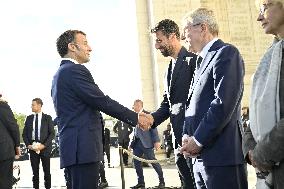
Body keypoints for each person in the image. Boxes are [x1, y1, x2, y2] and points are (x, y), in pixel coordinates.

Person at [51, 29, 149, 189]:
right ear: (72, 47)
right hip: (82, 150)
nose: (90, 48)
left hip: (74, 151)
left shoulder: (60, 74)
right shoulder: (74, 70)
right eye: (85, 43)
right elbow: (102, 101)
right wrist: (136, 117)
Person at [180, 8, 248, 189]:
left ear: (202, 28)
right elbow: (193, 105)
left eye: (185, 30)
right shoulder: (200, 62)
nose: (183, 37)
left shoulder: (226, 53)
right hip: (200, 159)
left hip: (221, 157)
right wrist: (187, 135)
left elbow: (222, 103)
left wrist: (198, 139)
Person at [145, 19, 197, 189]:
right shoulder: (169, 68)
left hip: (194, 142)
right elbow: (168, 104)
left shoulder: (194, 62)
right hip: (178, 144)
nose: (157, 46)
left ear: (173, 36)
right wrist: (151, 119)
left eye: (160, 40)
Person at [242, 0, 284, 188]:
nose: (259, 17)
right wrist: (250, 149)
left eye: (265, 7)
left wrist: (262, 153)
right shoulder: (271, 55)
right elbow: (255, 108)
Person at [130, 99, 165, 189]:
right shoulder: (134, 116)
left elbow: (154, 128)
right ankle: (141, 183)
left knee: (153, 162)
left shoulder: (148, 114)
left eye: (135, 106)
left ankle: (162, 181)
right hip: (136, 143)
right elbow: (134, 131)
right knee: (136, 162)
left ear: (139, 106)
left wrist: (156, 141)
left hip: (147, 143)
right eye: (133, 106)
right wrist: (130, 144)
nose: (134, 107)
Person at [22, 98, 55, 189]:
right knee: (35, 173)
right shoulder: (29, 118)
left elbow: (52, 133)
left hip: (45, 148)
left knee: (47, 172)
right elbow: (24, 134)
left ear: (39, 105)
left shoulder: (48, 118)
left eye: (33, 104)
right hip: (32, 149)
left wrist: (43, 145)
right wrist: (29, 145)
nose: (31, 106)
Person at [0, 93, 20, 189]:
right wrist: (17, 145)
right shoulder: (2, 105)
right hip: (3, 150)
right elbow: (13, 126)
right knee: (5, 183)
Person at [99, 113, 108, 188]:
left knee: (99, 164)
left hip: (98, 147)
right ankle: (102, 180)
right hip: (98, 146)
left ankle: (103, 181)